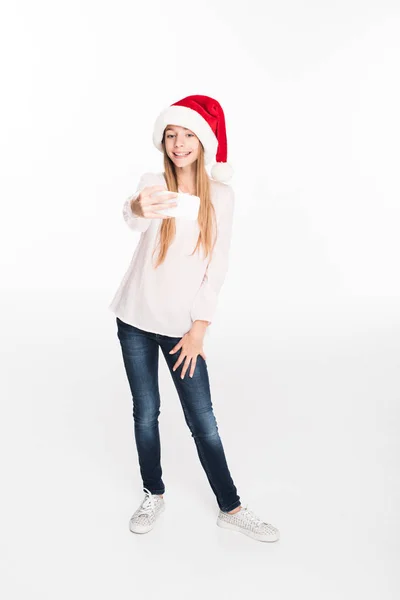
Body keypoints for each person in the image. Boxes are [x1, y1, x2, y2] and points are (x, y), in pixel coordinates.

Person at [109, 95, 280, 543]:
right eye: (171, 134)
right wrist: (137, 207)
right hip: (134, 319)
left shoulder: (220, 196)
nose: (178, 143)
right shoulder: (153, 184)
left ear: (203, 141)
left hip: (182, 328)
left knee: (202, 418)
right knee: (146, 411)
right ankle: (153, 492)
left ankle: (231, 506)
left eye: (187, 134)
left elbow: (216, 265)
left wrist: (199, 327)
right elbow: (132, 219)